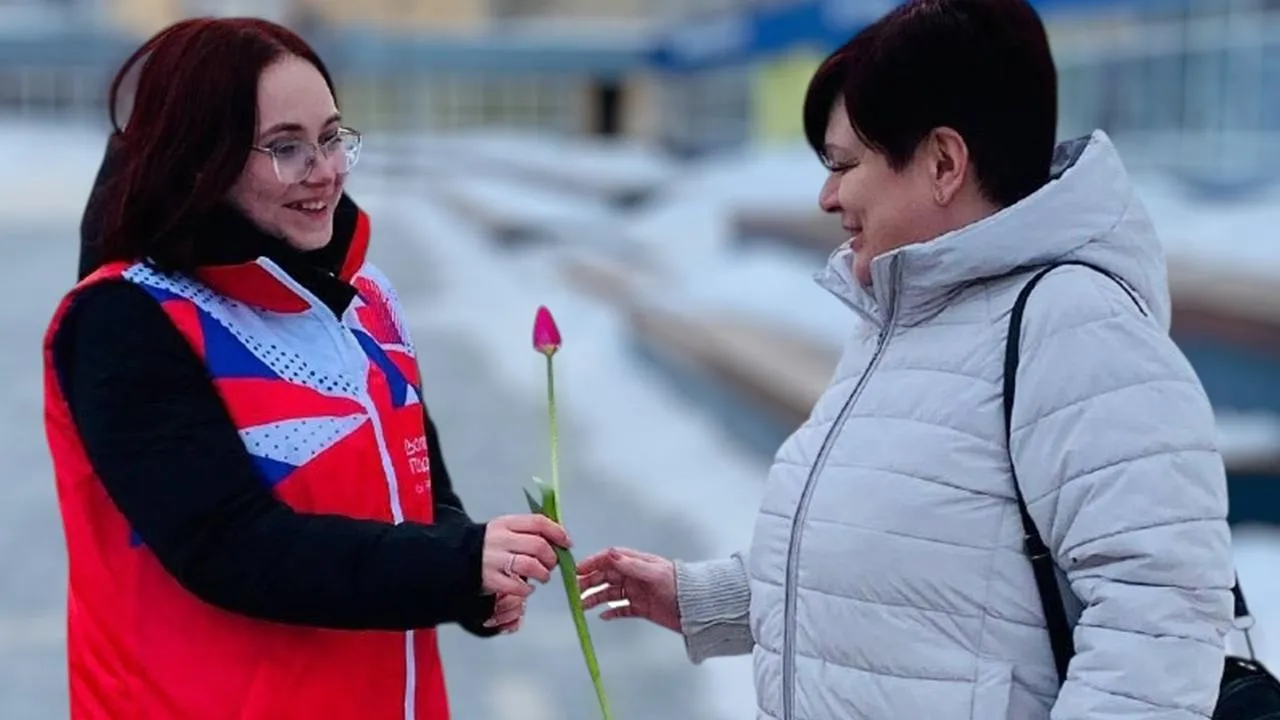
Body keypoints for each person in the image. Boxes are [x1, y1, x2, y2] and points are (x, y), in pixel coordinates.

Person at [578, 1, 1236, 718]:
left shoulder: (1075, 329)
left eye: (846, 164)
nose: (828, 197)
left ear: (944, 163)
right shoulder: (906, 322)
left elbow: (1161, 626)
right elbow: (918, 571)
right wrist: (707, 600)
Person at [43, 17, 570, 720]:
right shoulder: (125, 319)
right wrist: (452, 563)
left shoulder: (364, 299)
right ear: (200, 158)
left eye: (331, 136)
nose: (325, 171)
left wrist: (474, 572)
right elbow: (226, 545)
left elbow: (418, 495)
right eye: (286, 148)